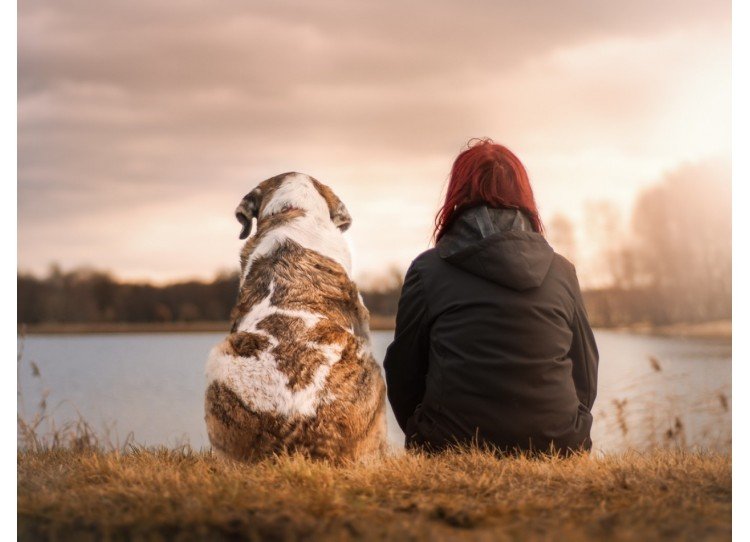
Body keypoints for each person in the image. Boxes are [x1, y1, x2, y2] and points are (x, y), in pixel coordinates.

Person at [383, 138, 599, 455]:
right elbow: (586, 371)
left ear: (457, 195)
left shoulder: (428, 271)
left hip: (450, 445)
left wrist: (423, 432)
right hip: (558, 445)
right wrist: (566, 428)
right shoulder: (562, 271)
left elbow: (403, 372)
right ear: (524, 195)